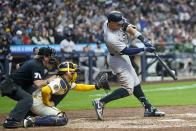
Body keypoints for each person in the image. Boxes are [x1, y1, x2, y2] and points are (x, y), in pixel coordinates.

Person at [92, 11, 165, 120]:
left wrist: (144, 40)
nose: (120, 25)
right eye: (118, 24)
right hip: (117, 59)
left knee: (136, 83)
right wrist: (144, 49)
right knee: (128, 89)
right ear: (110, 23)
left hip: (122, 57)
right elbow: (127, 51)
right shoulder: (110, 37)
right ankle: (100, 102)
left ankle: (148, 108)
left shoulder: (115, 21)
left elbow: (129, 28)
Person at [22, 61, 110, 128]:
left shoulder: (65, 81)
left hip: (33, 102)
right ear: (67, 72)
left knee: (56, 116)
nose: (75, 73)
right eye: (73, 72)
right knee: (62, 119)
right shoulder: (60, 81)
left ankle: (28, 117)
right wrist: (47, 102)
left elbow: (80, 87)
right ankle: (32, 121)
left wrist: (96, 86)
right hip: (38, 104)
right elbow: (45, 90)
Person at [0, 47, 58, 128]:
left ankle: (24, 116)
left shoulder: (36, 63)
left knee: (34, 95)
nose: (52, 58)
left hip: (15, 84)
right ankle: (11, 120)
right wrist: (51, 79)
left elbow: (18, 66)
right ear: (45, 57)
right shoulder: (36, 65)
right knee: (27, 99)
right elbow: (38, 83)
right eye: (50, 56)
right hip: (10, 85)